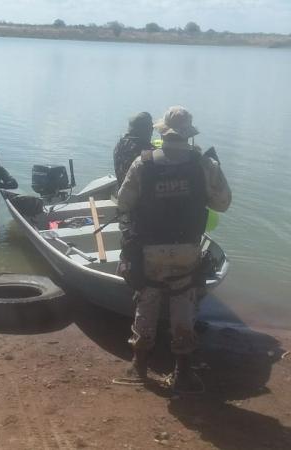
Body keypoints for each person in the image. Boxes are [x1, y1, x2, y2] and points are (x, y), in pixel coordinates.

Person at [116, 106, 231, 393]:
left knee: (148, 299)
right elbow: (223, 204)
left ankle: (139, 367)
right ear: (189, 133)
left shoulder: (143, 163)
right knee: (183, 303)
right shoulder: (204, 164)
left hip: (151, 247)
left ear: (161, 131)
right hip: (187, 247)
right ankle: (183, 373)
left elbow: (123, 204)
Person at [113, 112, 155, 187]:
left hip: (122, 192)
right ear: (148, 130)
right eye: (151, 128)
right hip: (142, 196)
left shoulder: (119, 145)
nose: (152, 131)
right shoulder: (147, 151)